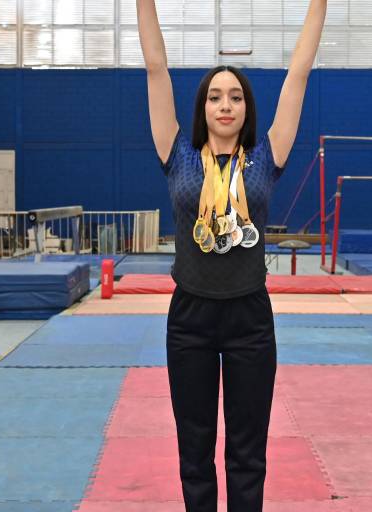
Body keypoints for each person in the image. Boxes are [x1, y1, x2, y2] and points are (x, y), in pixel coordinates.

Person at [136, 1, 327, 510]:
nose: (226, 105)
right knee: (194, 450)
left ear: (247, 108)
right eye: (215, 96)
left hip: (249, 319)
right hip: (190, 319)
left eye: (236, 96)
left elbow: (299, 74)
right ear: (202, 108)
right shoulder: (175, 154)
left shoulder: (267, 157)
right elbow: (156, 66)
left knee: (248, 450)